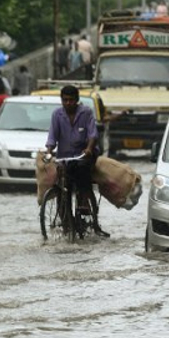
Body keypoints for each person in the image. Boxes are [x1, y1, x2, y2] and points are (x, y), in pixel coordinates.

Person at [44, 85, 108, 236]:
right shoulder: (57, 115)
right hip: (65, 156)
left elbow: (93, 135)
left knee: (82, 168)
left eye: (71, 100)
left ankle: (84, 200)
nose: (68, 103)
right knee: (61, 186)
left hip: (83, 155)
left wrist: (89, 148)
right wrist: (48, 151)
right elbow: (52, 137)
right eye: (65, 100)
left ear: (77, 100)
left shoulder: (86, 113)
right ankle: (66, 221)